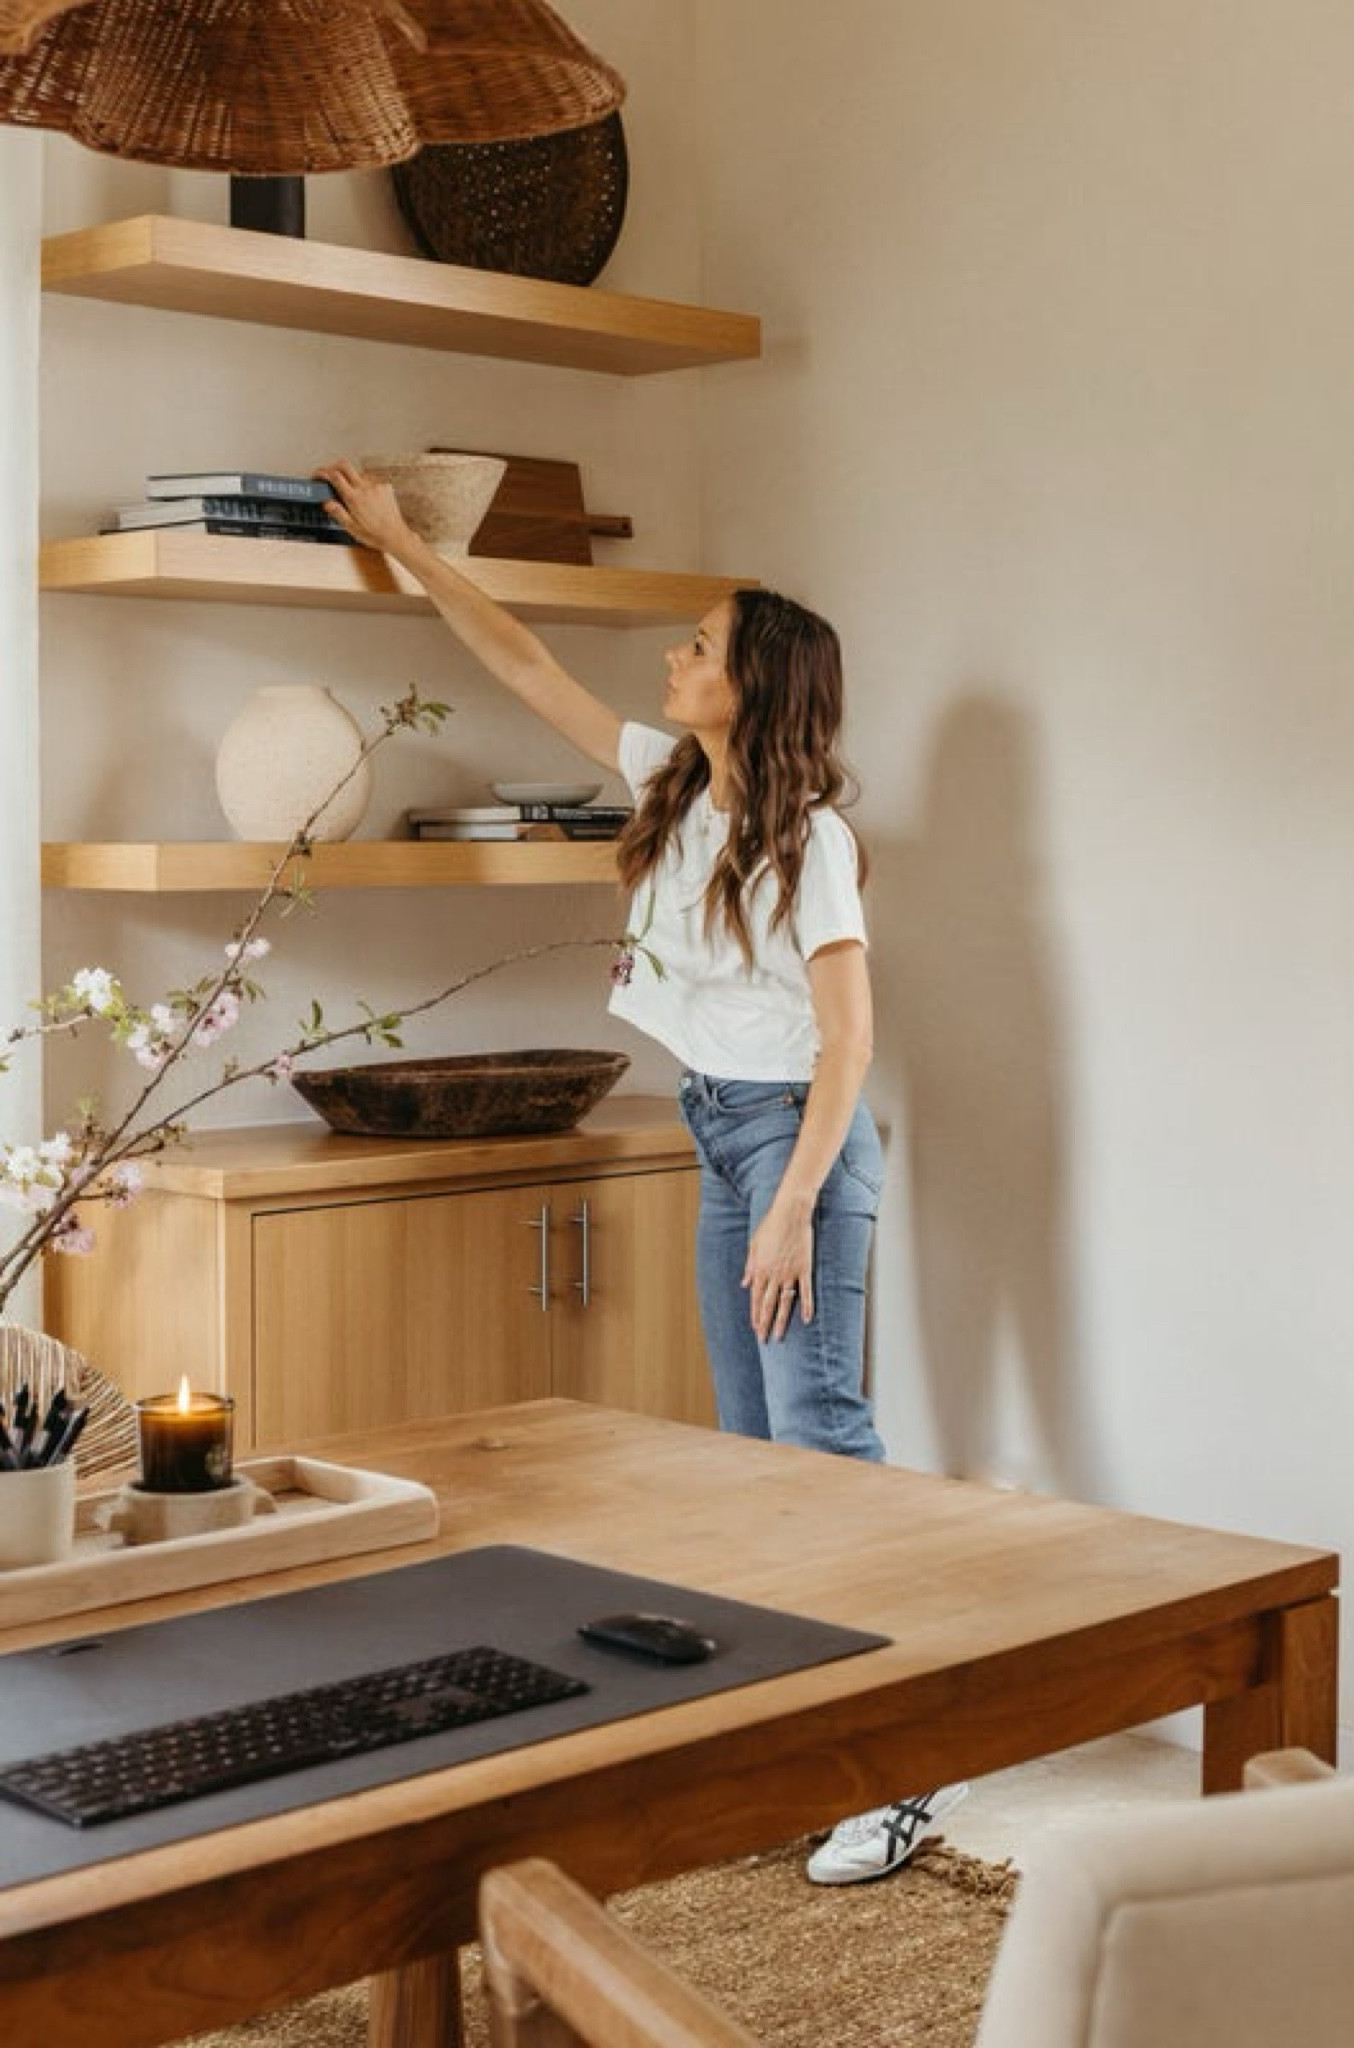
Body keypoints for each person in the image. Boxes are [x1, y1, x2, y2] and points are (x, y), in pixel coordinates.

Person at [315, 460, 968, 1883]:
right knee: (747, 1462)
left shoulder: (818, 841)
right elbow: (524, 661)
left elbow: (851, 1043)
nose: (674, 660)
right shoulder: (672, 792)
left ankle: (908, 1771)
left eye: (700, 647)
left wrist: (794, 1200)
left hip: (801, 1138)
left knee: (826, 1453)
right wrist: (404, 549)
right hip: (720, 1129)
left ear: (758, 684)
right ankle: (790, 1746)